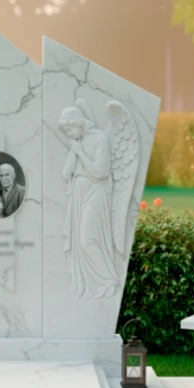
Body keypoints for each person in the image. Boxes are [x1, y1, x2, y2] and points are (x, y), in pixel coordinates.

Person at [59, 103, 119, 299]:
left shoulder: (100, 139)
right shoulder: (77, 142)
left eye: (69, 129)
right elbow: (66, 173)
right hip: (78, 192)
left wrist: (81, 152)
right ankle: (85, 285)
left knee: (87, 240)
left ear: (78, 122)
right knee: (78, 242)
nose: (69, 134)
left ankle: (109, 280)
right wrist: (74, 151)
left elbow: (100, 172)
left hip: (96, 191)